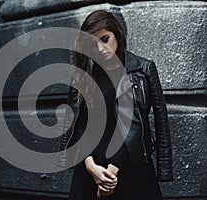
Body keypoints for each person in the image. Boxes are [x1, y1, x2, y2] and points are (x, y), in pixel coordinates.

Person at [64, 10, 174, 200]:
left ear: (117, 33)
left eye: (105, 39)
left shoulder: (143, 69)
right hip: (90, 172)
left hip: (131, 168)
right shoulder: (84, 74)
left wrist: (111, 173)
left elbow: (151, 124)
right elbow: (80, 125)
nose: (100, 49)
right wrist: (89, 165)